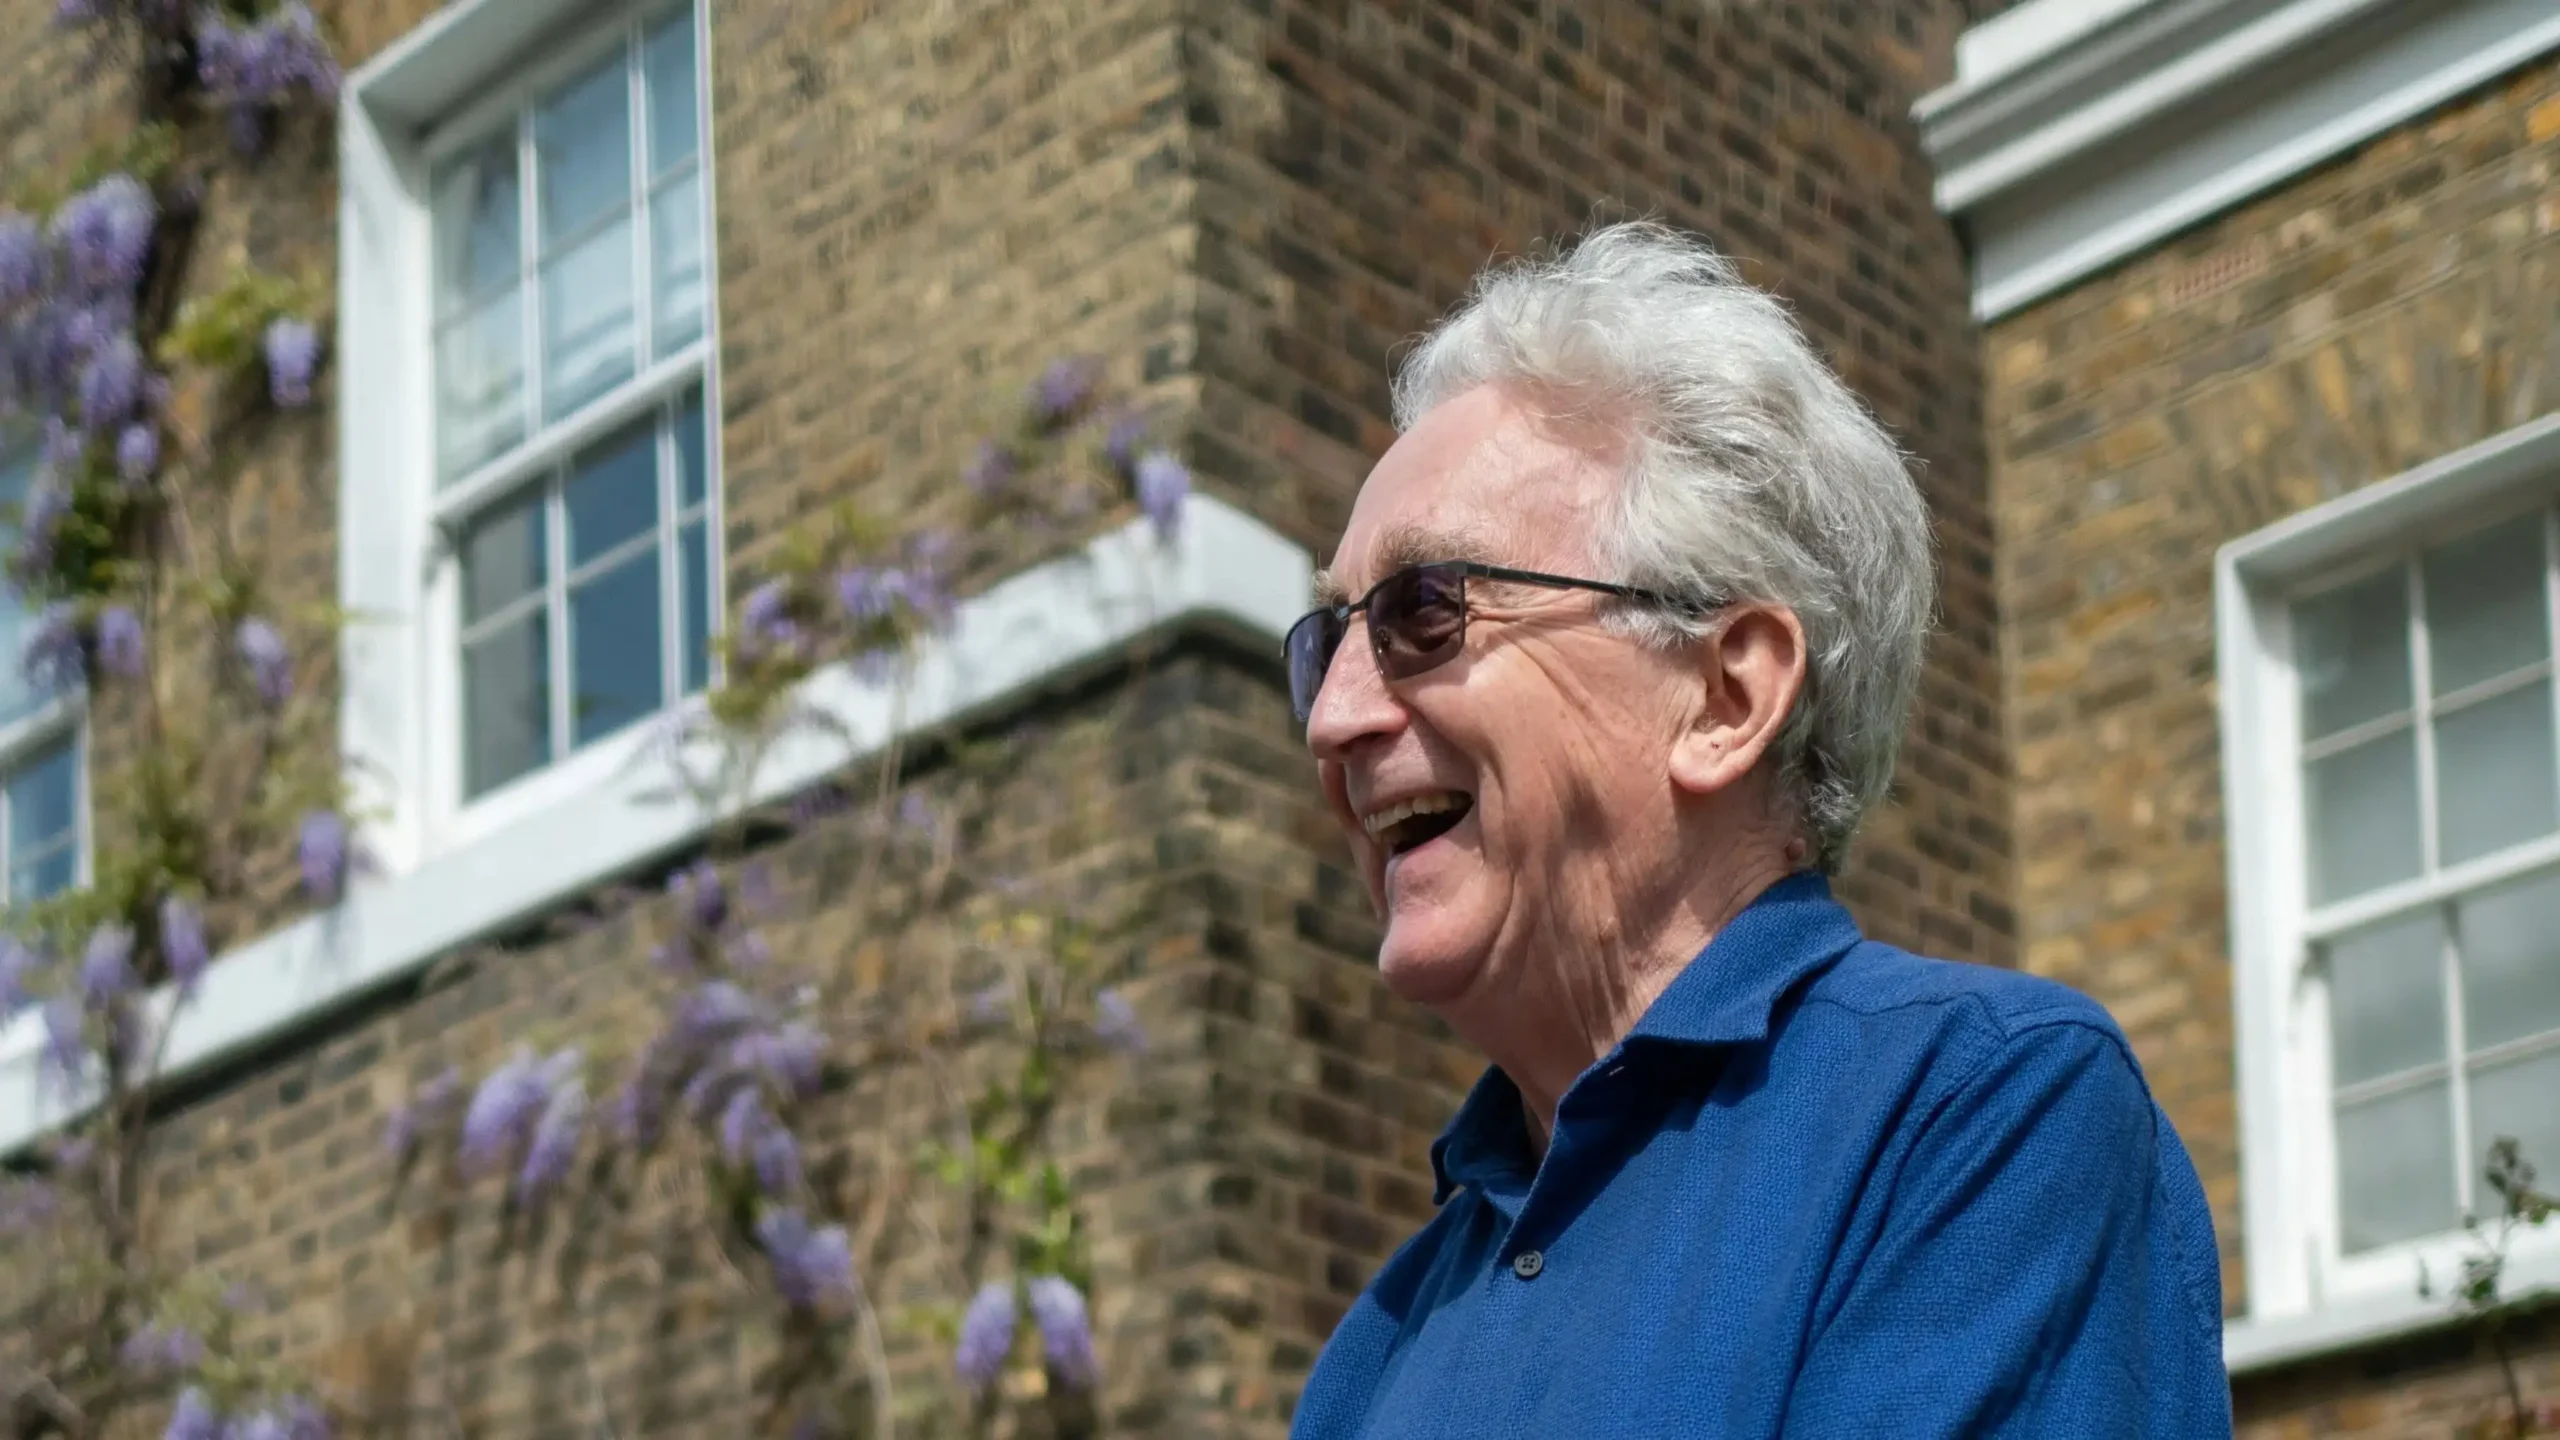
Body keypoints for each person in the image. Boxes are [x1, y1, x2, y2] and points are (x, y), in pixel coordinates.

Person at [1283, 223, 2230, 1438]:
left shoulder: (1976, 1115)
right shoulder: (1374, 1357)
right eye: (1324, 645)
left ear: (1725, 696)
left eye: (1424, 611)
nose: (1334, 719)